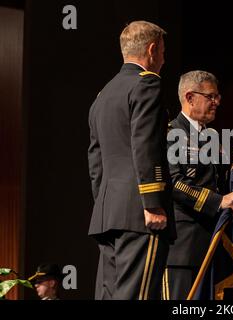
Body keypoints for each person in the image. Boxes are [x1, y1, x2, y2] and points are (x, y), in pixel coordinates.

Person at [88, 21, 174, 300]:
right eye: (162, 52)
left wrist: (106, 204)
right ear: (151, 50)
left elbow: (96, 160)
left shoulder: (102, 95)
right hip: (140, 213)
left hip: (108, 214)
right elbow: (145, 145)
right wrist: (152, 202)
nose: (163, 59)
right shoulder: (147, 83)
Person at [162, 70, 233, 300]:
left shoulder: (211, 136)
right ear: (190, 97)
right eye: (211, 97)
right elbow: (174, 183)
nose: (217, 102)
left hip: (212, 243)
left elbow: (220, 181)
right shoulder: (171, 133)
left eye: (218, 97)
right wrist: (218, 201)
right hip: (182, 248)